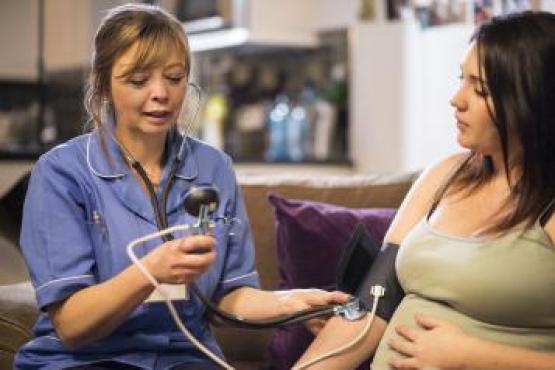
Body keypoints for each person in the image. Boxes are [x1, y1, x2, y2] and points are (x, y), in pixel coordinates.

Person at [15, 4, 349, 370]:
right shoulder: (62, 173)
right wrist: (149, 272)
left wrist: (291, 304)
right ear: (103, 82)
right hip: (86, 360)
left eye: (174, 78)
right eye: (139, 80)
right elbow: (72, 325)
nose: (161, 93)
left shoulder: (213, 167)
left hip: (185, 359)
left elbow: (225, 299)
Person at [295, 10, 555, 370]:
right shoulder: (445, 175)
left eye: (479, 89)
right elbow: (373, 307)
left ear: (532, 100)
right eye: (460, 79)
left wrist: (473, 357)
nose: (456, 99)